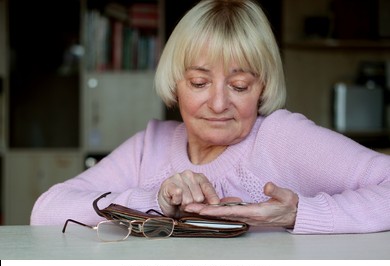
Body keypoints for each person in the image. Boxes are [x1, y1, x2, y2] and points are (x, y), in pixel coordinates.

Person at [31, 0, 390, 234]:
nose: (218, 104)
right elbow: (46, 211)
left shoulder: (281, 137)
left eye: (239, 85)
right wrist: (155, 200)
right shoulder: (150, 145)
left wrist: (299, 214)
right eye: (200, 82)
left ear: (262, 87)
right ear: (176, 83)